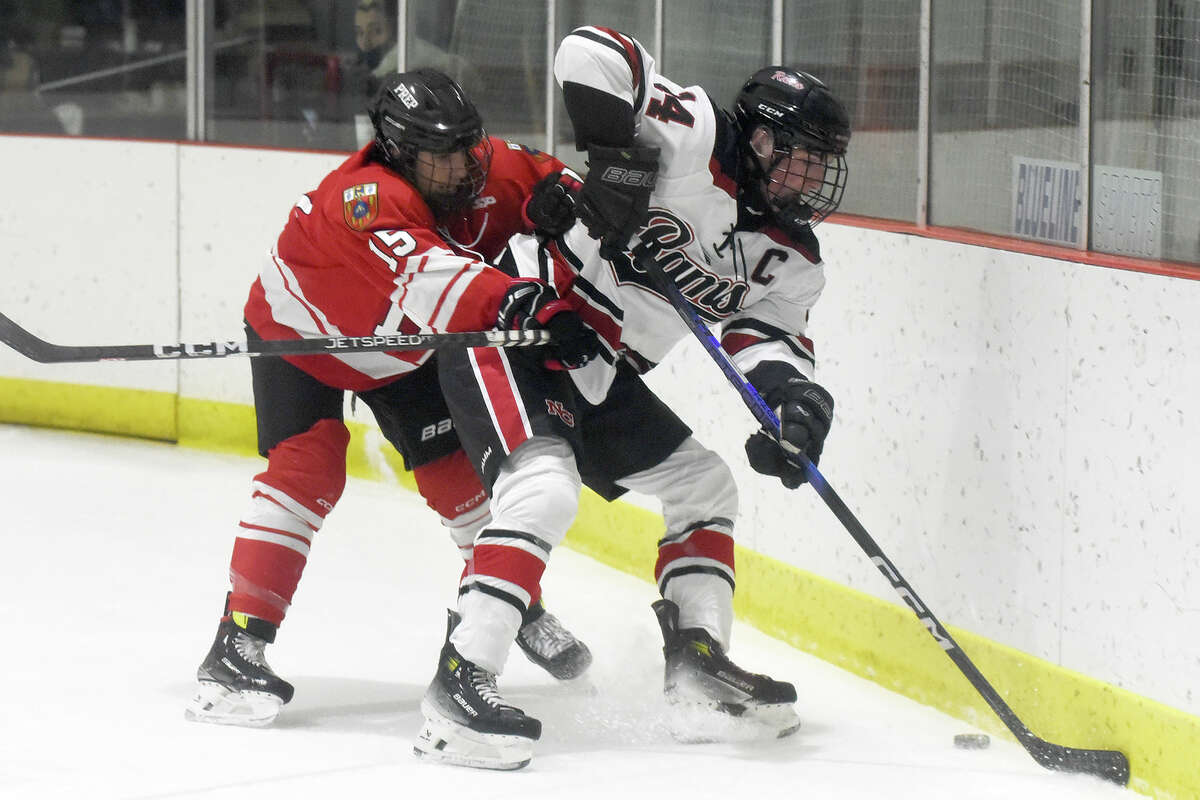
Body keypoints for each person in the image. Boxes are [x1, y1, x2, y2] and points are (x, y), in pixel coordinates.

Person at [414, 27, 850, 770]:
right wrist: (617, 162)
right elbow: (586, 50)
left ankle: (697, 667)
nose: (811, 182)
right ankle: (461, 681)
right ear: (766, 142)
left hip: (598, 368)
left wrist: (797, 411)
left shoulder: (791, 256)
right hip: (520, 328)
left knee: (705, 487)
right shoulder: (697, 137)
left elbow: (769, 343)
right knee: (545, 490)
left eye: (822, 168)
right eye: (804, 160)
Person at [186, 69, 600, 727]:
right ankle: (238, 645)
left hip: (406, 346)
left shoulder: (483, 168)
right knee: (307, 474)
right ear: (401, 151)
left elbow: (545, 175)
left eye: (470, 145)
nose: (465, 164)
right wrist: (521, 299)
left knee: (462, 483)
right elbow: (438, 283)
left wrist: (571, 198)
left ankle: (511, 606)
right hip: (303, 338)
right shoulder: (365, 199)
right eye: (446, 152)